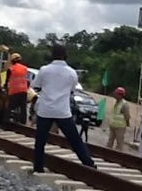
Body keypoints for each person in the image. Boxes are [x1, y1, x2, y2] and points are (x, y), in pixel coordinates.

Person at [31, 45, 95, 173]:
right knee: (75, 140)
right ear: (65, 56)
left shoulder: (44, 70)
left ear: (52, 55)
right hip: (62, 111)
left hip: (45, 110)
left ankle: (38, 167)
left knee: (40, 141)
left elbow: (35, 86)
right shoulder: (71, 72)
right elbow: (72, 89)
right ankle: (89, 164)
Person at [5, 52, 29, 124]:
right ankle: (23, 123)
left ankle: (6, 123)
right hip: (24, 90)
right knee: (23, 108)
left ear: (12, 61)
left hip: (14, 91)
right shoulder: (25, 68)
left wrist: (5, 86)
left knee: (9, 108)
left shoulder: (11, 69)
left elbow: (7, 81)